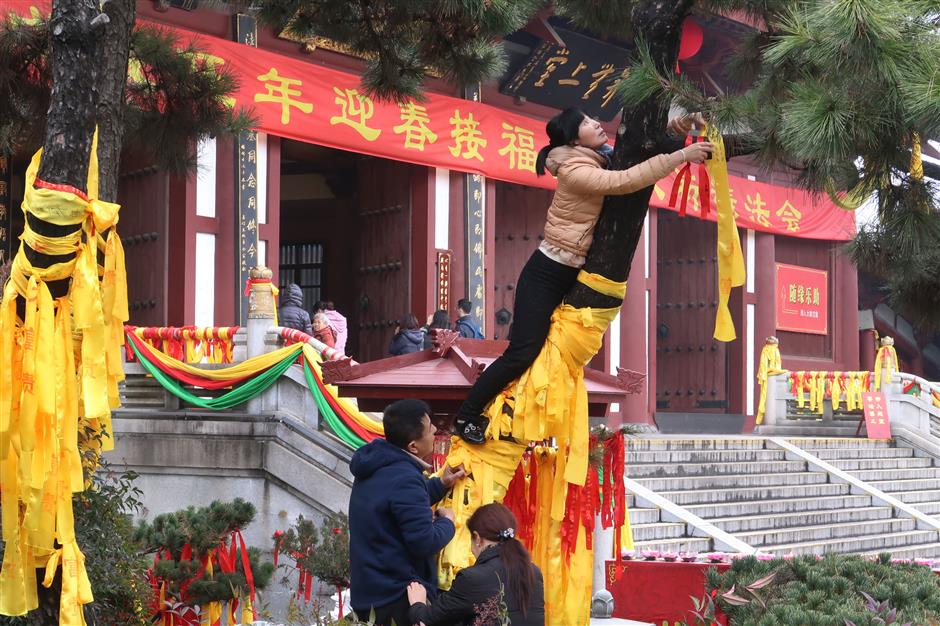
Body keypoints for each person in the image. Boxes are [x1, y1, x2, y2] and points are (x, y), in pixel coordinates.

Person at [452, 108, 713, 444]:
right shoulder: (574, 169)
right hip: (546, 273)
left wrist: (680, 125)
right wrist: (682, 155)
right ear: (574, 139)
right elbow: (623, 181)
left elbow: (638, 149)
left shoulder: (598, 155)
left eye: (593, 119)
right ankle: (467, 415)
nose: (596, 124)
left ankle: (520, 415)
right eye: (587, 124)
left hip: (574, 271)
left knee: (554, 351)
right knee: (522, 352)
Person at [349, 399, 466, 626]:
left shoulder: (377, 465)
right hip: (397, 596)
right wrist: (448, 523)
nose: (434, 432)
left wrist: (441, 484)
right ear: (413, 446)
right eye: (430, 429)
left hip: (370, 589)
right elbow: (424, 541)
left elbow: (397, 504)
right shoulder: (405, 478)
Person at [406, 503, 545, 626]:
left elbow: (427, 619)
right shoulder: (534, 572)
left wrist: (418, 603)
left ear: (477, 538)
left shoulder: (473, 578)